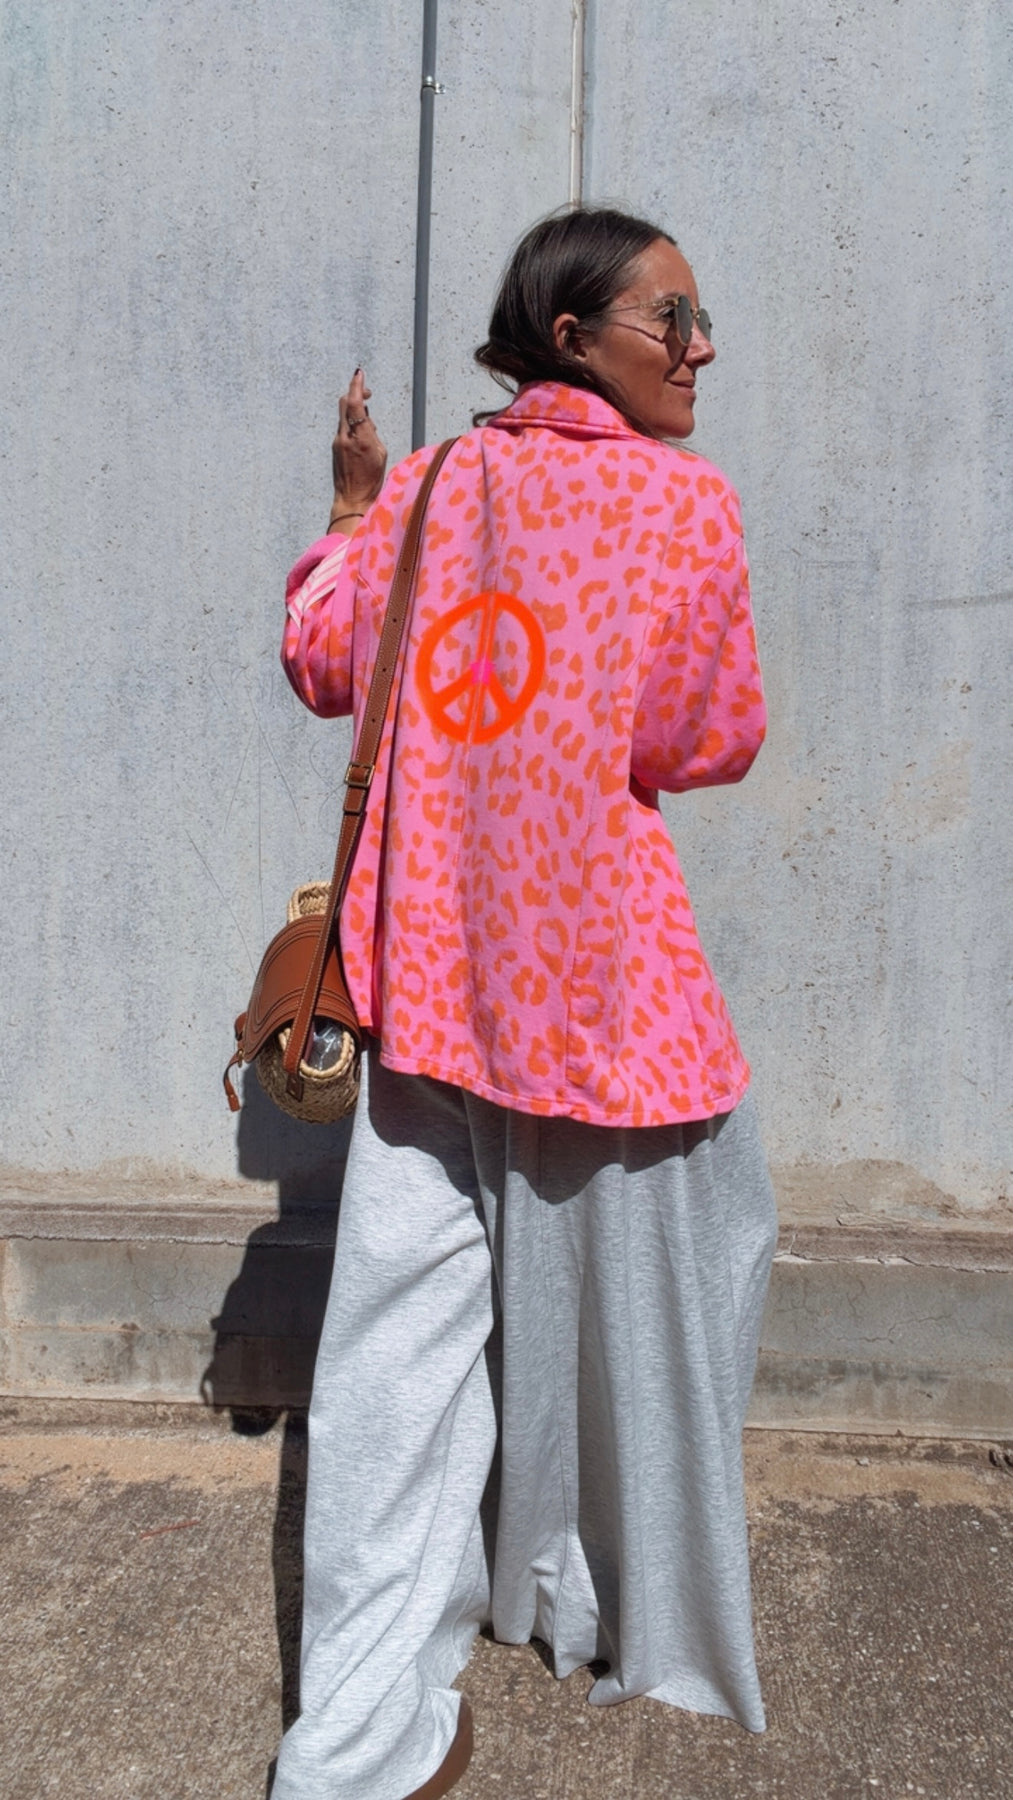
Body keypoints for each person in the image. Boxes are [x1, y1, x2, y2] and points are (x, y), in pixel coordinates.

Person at [270, 207, 778, 1800]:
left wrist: (350, 512)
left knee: (394, 1366)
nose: (700, 346)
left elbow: (320, 664)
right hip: (600, 1003)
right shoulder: (683, 504)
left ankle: (353, 1744)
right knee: (665, 1307)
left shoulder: (425, 486)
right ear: (573, 335)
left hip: (423, 989)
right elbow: (702, 739)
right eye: (672, 318)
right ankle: (600, 1609)